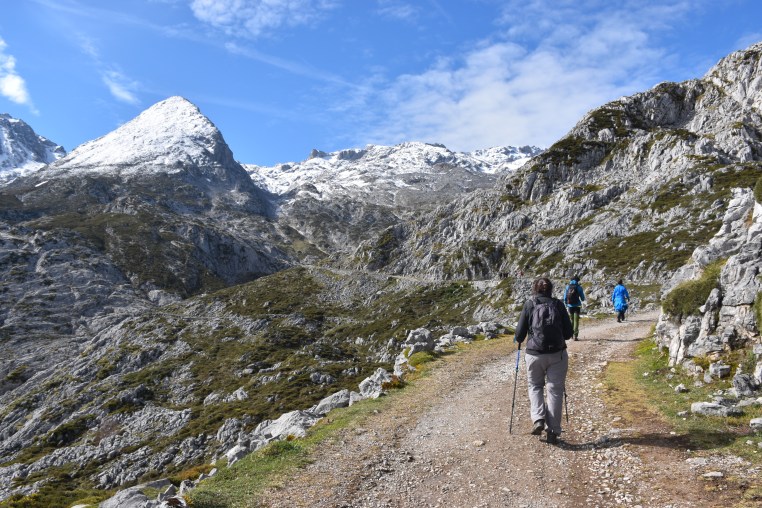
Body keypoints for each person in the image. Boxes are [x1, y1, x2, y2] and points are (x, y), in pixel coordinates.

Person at [514, 277, 574, 444]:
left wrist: (520, 338)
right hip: (557, 354)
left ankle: (538, 419)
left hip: (534, 354)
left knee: (535, 386)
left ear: (535, 289)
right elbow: (568, 333)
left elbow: (519, 334)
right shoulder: (558, 305)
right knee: (555, 390)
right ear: (551, 289)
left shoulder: (530, 304)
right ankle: (553, 430)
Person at [563, 276, 585, 340]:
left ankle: (571, 335)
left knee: (571, 320)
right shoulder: (579, 287)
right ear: (577, 281)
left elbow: (565, 297)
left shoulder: (567, 287)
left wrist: (566, 303)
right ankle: (575, 335)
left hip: (570, 306)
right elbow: (583, 298)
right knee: (576, 321)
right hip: (577, 306)